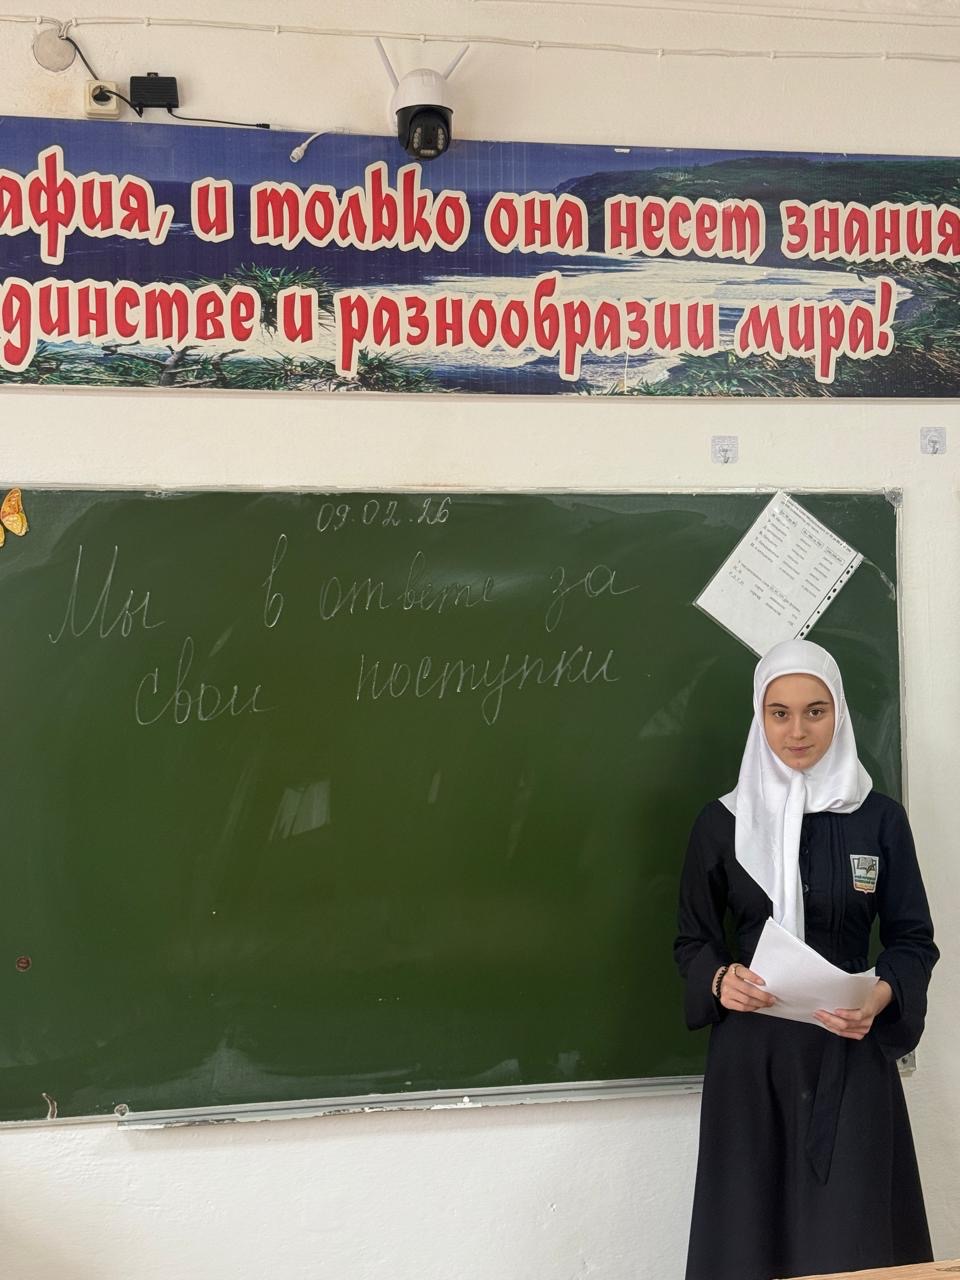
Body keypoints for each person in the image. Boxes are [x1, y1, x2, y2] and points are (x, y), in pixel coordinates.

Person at [675, 639, 938, 1280]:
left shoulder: (879, 819)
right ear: (759, 718)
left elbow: (913, 940)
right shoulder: (722, 823)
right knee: (748, 1237)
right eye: (780, 713)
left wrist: (880, 995)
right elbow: (692, 941)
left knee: (851, 1239)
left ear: (838, 714)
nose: (797, 731)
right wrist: (720, 979)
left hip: (848, 1051)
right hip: (753, 1062)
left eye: (815, 711)